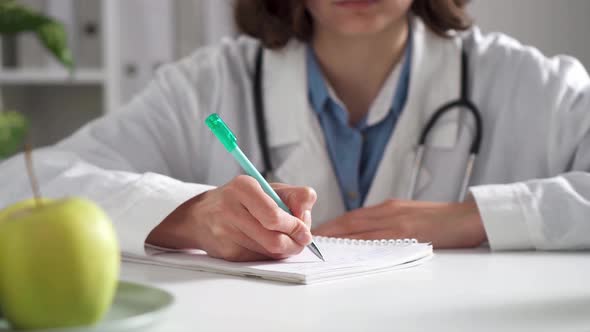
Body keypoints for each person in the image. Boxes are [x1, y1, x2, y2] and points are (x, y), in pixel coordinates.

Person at [1, 0, 589, 262]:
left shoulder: (528, 82)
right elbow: (22, 183)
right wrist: (190, 216)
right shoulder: (205, 85)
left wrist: (479, 217)